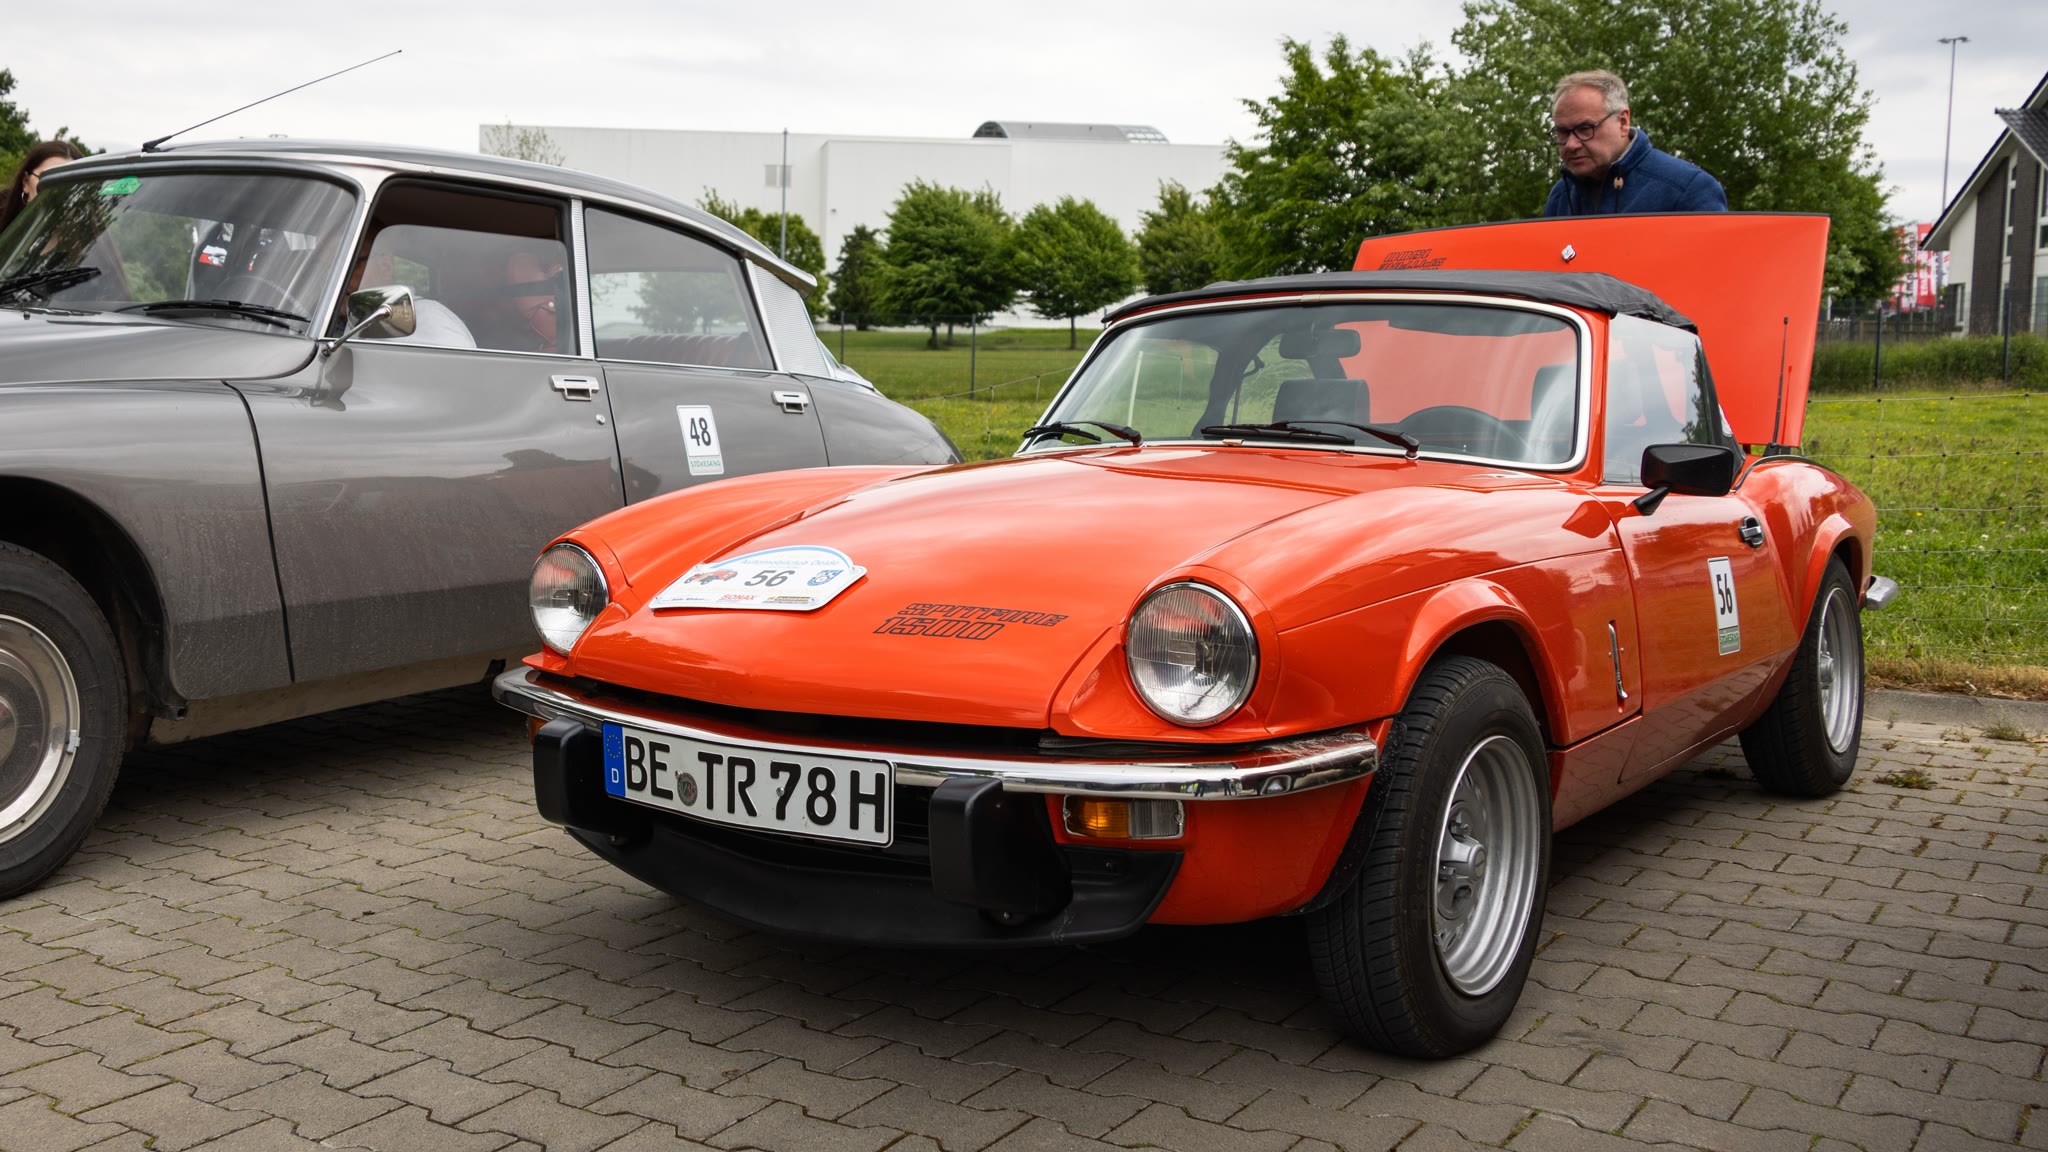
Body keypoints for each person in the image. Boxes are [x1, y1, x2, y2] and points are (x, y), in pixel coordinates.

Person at [1542, 71, 1726, 217]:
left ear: (1623, 122)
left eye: (1585, 129)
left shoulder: (1687, 189)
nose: (1571, 144)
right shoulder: (1561, 196)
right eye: (1562, 132)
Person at [0, 139, 85, 234]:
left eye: (69, 183)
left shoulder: (87, 235)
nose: (56, 190)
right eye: (47, 179)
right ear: (26, 182)